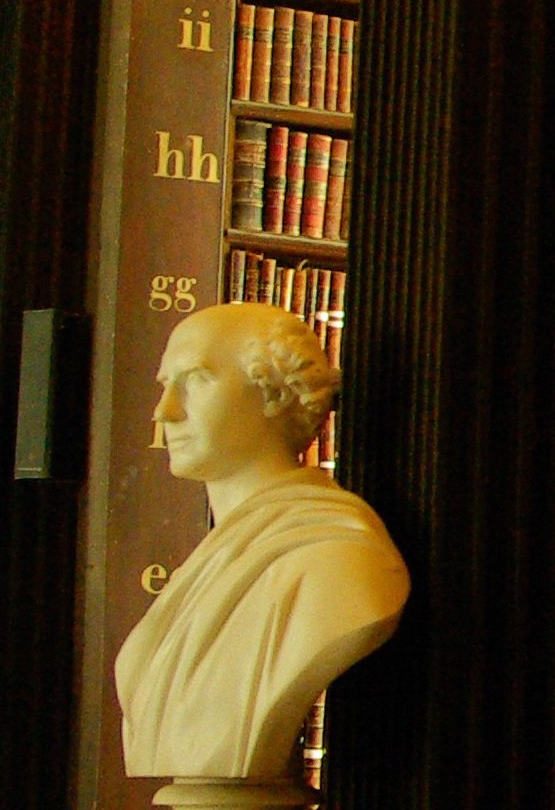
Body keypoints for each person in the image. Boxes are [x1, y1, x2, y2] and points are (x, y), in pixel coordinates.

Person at [115, 301, 408, 780]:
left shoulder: (336, 560)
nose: (164, 412)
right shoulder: (217, 558)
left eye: (196, 380)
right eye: (165, 386)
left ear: (274, 392)